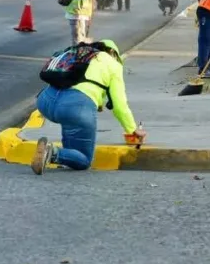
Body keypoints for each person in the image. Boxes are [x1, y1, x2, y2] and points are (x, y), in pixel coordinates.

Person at [31, 40, 146, 174]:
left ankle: (65, 158)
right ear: (113, 53)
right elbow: (119, 105)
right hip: (74, 108)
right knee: (84, 160)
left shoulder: (79, 54)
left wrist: (96, 102)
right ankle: (52, 153)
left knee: (71, 124)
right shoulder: (113, 64)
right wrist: (132, 129)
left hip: (45, 102)